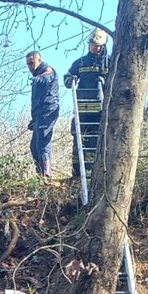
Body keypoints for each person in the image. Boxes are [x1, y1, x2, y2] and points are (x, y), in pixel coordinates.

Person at [65, 29, 111, 181]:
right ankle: (77, 173)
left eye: (97, 45)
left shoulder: (109, 62)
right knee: (78, 139)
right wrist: (70, 80)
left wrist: (105, 81)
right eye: (92, 44)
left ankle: (91, 172)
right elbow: (68, 76)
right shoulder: (81, 62)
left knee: (94, 140)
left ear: (103, 45)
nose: (94, 47)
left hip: (99, 110)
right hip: (82, 109)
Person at [25, 51, 60, 178]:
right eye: (28, 64)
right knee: (34, 146)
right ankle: (40, 174)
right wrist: (33, 120)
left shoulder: (47, 70)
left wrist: (38, 79)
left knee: (42, 144)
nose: (30, 66)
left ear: (39, 60)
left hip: (48, 111)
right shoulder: (37, 75)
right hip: (39, 114)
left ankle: (46, 175)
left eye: (32, 63)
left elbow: (47, 76)